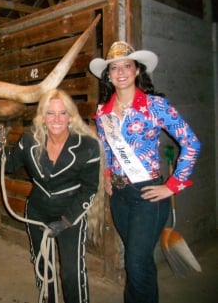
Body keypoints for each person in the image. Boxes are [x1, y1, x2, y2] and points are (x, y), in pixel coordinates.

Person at [90, 41, 201, 303]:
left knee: (136, 263)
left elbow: (192, 143)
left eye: (126, 66)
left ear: (137, 70)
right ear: (108, 75)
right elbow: (105, 147)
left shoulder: (156, 106)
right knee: (137, 261)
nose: (120, 72)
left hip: (148, 195)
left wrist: (173, 185)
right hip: (119, 196)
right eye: (113, 68)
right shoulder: (102, 112)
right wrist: (106, 175)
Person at [0, 89, 103, 303]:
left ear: (71, 116)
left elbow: (89, 189)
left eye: (63, 113)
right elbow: (11, 165)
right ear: (42, 116)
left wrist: (66, 221)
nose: (57, 119)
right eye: (50, 113)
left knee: (71, 271)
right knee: (43, 266)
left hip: (71, 214)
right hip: (37, 211)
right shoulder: (29, 140)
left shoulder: (87, 146)